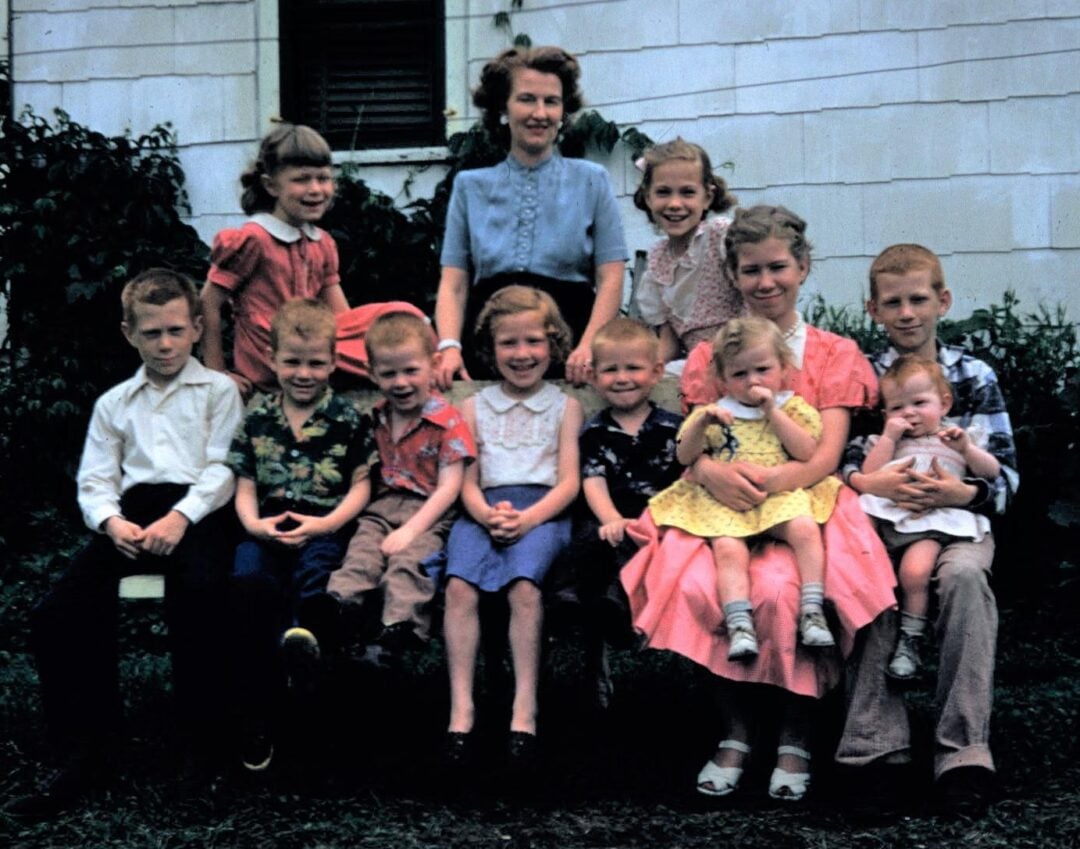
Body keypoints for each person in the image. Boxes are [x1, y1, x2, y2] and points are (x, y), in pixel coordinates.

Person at [620, 205, 896, 802]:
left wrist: (765, 486)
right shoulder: (712, 355)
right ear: (734, 276)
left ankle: (796, 733)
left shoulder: (831, 354)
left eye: (778, 267)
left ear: (803, 267)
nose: (765, 282)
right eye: (751, 271)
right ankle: (736, 731)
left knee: (784, 592)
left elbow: (824, 457)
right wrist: (713, 473)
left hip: (806, 500)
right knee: (700, 586)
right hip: (719, 504)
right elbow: (693, 445)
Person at [6, 269, 244, 819]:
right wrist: (111, 522)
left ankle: (204, 750)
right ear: (128, 333)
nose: (165, 344)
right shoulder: (115, 402)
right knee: (57, 614)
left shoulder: (218, 391)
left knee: (202, 593)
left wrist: (180, 518)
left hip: (199, 513)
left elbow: (224, 469)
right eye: (152, 332)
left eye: (176, 330)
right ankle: (88, 749)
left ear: (197, 328)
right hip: (132, 517)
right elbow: (95, 479)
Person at [837, 244, 1018, 815]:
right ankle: (875, 750)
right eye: (893, 303)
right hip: (883, 519)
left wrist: (961, 491)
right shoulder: (861, 376)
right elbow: (836, 463)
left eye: (919, 299)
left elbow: (1007, 476)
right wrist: (873, 485)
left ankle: (962, 753)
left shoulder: (974, 375)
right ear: (873, 310)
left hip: (959, 521)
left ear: (943, 301)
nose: (907, 313)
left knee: (965, 581)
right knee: (874, 582)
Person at [431, 285, 582, 769]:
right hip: (483, 509)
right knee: (458, 587)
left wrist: (530, 518)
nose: (522, 354)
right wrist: (483, 514)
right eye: (509, 344)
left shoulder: (564, 406)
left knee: (524, 588)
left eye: (534, 342)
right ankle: (460, 709)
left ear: (553, 344)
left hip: (543, 512)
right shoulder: (474, 406)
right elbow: (466, 479)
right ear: (489, 350)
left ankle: (525, 709)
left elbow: (569, 482)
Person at [226, 298, 378, 772]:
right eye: (292, 361)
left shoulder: (348, 419)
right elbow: (245, 483)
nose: (304, 373)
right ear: (272, 360)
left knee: (316, 594)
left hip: (324, 529)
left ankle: (311, 705)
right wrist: (254, 526)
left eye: (316, 363)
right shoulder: (258, 417)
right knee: (249, 583)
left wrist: (326, 525)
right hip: (268, 526)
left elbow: (361, 484)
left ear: (334, 362)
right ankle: (261, 710)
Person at [434, 45, 628, 387]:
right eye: (526, 99)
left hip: (569, 345)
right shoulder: (469, 187)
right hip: (491, 341)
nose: (540, 113)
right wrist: (449, 346)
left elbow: (611, 278)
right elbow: (455, 283)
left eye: (551, 101)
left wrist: (588, 347)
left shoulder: (592, 180)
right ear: (502, 108)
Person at [649, 316, 840, 663]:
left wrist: (772, 411)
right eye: (739, 374)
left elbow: (807, 452)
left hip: (777, 497)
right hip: (727, 502)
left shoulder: (792, 407)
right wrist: (700, 424)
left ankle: (812, 611)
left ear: (783, 369)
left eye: (763, 370)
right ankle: (740, 624)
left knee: (804, 528)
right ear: (722, 380)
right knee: (727, 548)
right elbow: (683, 453)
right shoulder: (715, 412)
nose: (753, 381)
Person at [201, 122, 426, 396]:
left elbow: (343, 317)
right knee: (379, 348)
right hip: (272, 354)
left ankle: (408, 368)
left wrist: (366, 335)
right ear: (271, 185)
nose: (316, 189)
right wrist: (217, 376)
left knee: (403, 315)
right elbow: (209, 302)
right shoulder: (254, 239)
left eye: (323, 178)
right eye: (302, 179)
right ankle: (390, 369)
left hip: (313, 342)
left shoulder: (322, 242)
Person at [326, 311, 475, 662]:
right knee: (360, 555)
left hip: (429, 514)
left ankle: (397, 631)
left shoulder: (448, 421)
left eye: (411, 370)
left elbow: (449, 488)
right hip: (379, 510)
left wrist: (410, 530)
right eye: (389, 373)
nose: (401, 382)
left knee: (409, 563)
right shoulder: (376, 417)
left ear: (433, 364)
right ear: (372, 373)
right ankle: (339, 613)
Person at [554, 317, 682, 706]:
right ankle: (567, 597)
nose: (622, 378)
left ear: (657, 372)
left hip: (657, 513)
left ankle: (618, 607)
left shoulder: (673, 428)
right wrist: (610, 518)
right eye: (611, 369)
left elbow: (682, 483)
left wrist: (651, 520)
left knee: (636, 548)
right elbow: (592, 479)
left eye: (633, 368)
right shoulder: (594, 430)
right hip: (608, 508)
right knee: (589, 539)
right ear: (593, 377)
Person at [859, 355, 1001, 681]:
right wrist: (890, 437)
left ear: (944, 403)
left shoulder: (958, 436)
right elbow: (869, 472)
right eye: (897, 407)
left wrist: (966, 450)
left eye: (920, 402)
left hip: (936, 521)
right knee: (874, 566)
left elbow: (992, 471)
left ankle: (911, 638)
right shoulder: (892, 443)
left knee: (915, 571)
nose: (909, 413)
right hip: (895, 518)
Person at [632, 138, 742, 370]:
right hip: (699, 362)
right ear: (648, 198)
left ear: (707, 197)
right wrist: (653, 366)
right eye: (663, 192)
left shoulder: (719, 236)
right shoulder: (658, 260)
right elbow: (669, 334)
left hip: (745, 351)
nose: (674, 203)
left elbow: (754, 294)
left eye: (687, 193)